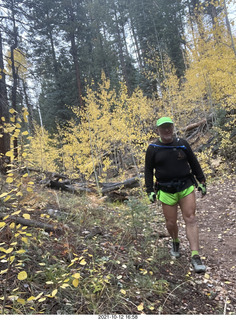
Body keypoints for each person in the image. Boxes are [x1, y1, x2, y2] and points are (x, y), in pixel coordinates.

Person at [145, 116, 207, 273]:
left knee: (191, 218)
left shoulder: (182, 144)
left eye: (169, 127)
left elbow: (194, 163)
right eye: (163, 127)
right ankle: (175, 241)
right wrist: (149, 190)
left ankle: (195, 256)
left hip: (185, 186)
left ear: (173, 128)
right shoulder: (153, 148)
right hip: (166, 190)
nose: (167, 130)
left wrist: (202, 181)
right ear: (158, 130)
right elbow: (148, 171)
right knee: (171, 223)